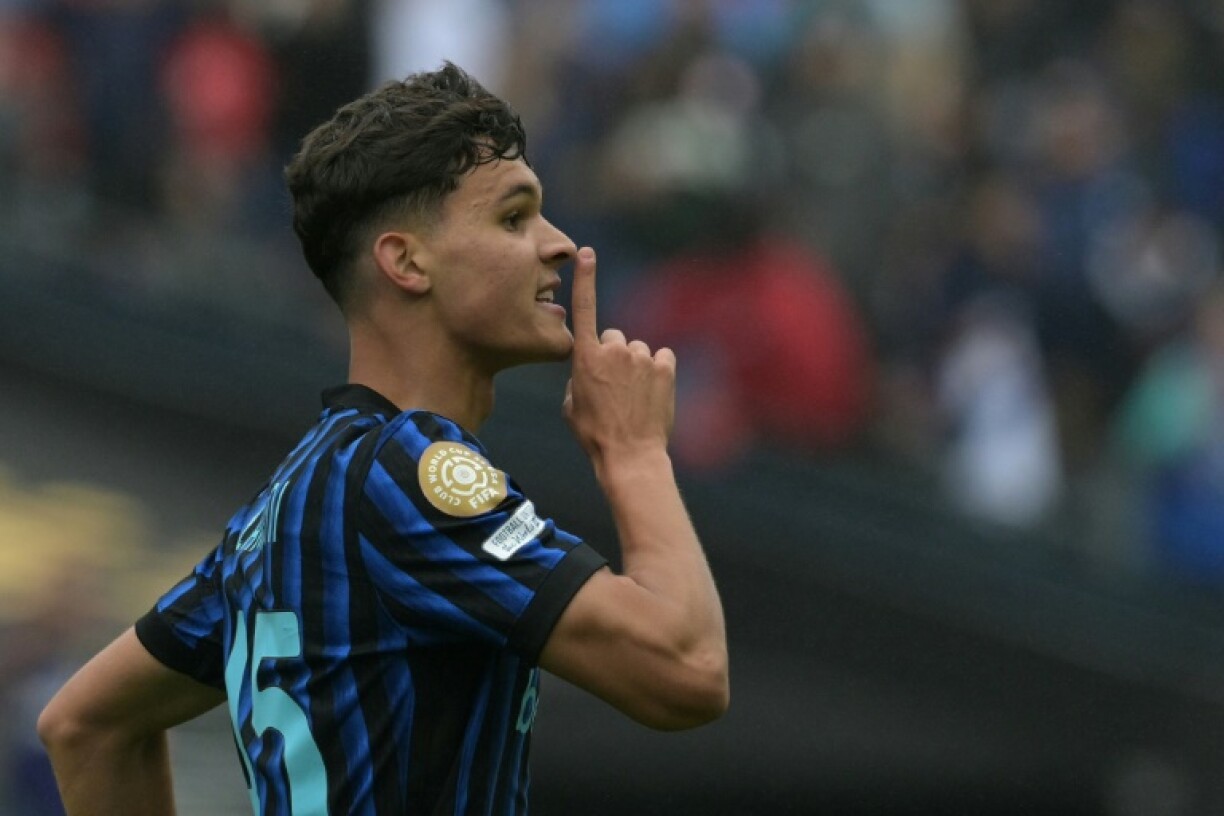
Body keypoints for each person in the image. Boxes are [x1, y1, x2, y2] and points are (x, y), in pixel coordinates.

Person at [36, 62, 729, 815]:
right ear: (405, 261)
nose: (560, 245)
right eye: (512, 217)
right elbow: (686, 670)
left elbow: (85, 725)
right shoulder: (408, 475)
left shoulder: (285, 507)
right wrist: (632, 454)